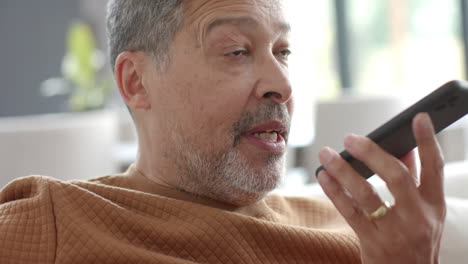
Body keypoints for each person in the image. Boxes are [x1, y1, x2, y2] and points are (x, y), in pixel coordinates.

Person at [0, 0, 446, 263]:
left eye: (283, 51)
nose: (284, 85)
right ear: (136, 82)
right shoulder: (53, 220)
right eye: (236, 50)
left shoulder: (369, 235)